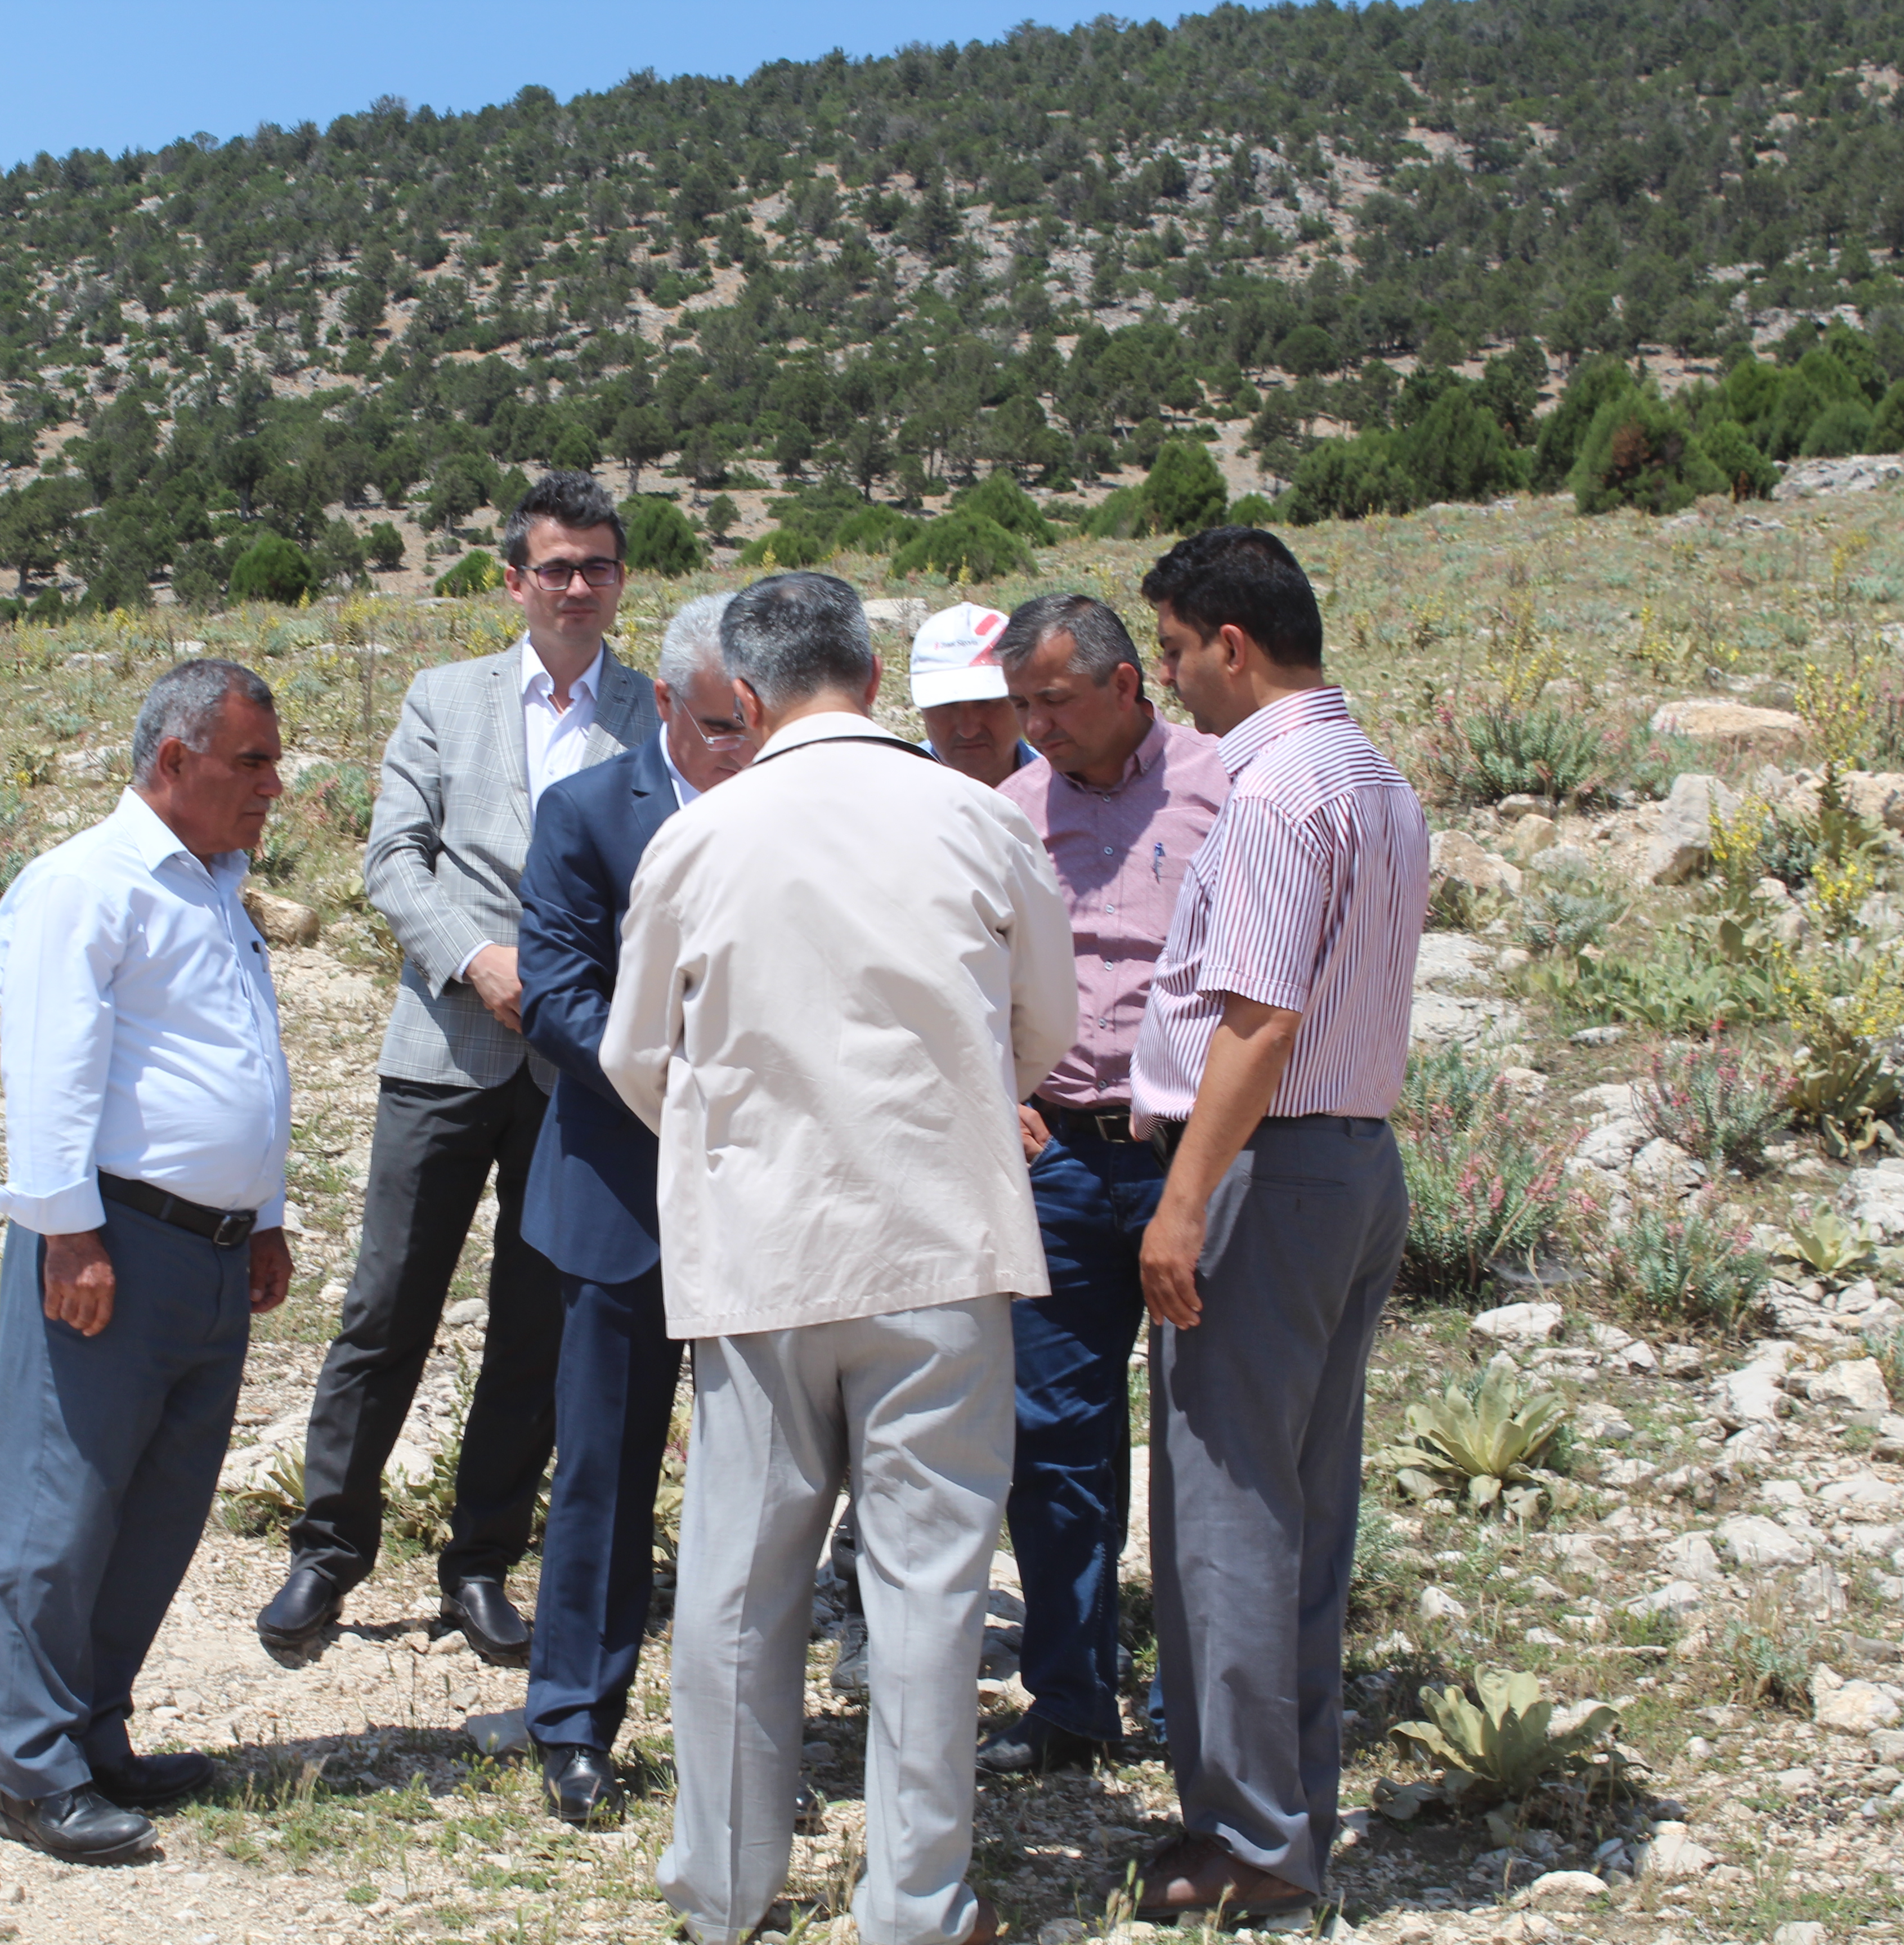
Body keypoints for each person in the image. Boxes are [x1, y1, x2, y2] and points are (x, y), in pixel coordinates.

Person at [602, 572, 1074, 1945]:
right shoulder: (979, 819)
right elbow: (1042, 1024)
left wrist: (737, 1144)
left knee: (739, 1587)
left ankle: (725, 1890)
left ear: (741, 700)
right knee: (928, 1589)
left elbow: (638, 1054)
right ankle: (916, 1905)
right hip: (937, 1237)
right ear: (873, 678)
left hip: (760, 1253)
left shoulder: (699, 840)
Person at [259, 471, 655, 1666]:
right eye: (555, 568)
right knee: (389, 1304)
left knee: (537, 1321)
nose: (576, 587)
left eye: (597, 567)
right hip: (447, 1044)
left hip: (580, 1068)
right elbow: (394, 860)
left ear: (620, 580)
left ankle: (481, 1560)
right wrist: (478, 960)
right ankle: (328, 1547)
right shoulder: (443, 698)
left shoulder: (655, 709)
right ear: (513, 582)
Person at [1125, 528, 1425, 1921]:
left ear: (1228, 643)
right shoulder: (1375, 779)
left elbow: (1255, 1018)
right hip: (1351, 1166)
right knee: (1301, 1506)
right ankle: (1286, 1813)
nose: (1172, 681)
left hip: (1263, 1170)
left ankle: (1248, 1838)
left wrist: (1181, 1201)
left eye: (1176, 651)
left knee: (1224, 1515)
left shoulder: (1272, 793)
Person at [0, 658, 297, 1864]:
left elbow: (237, 1059)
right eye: (252, 762)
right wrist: (69, 1231)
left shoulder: (213, 885)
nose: (274, 785)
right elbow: (54, 1065)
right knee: (58, 1516)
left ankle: (96, 1731)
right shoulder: (88, 884)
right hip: (113, 1243)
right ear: (175, 762)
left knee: (159, 1512)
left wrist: (261, 1212)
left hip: (210, 1255)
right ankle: (35, 1769)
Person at [513, 591, 755, 1826]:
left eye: (752, 724)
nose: (740, 749)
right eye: (719, 727)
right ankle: (575, 1719)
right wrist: (689, 1078)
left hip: (775, 1198)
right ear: (664, 705)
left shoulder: (794, 807)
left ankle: (744, 1737)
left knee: (763, 1472)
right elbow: (555, 994)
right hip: (626, 1186)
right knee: (603, 1470)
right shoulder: (588, 814)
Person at [978, 593, 1229, 1777]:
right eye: (1021, 702)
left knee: (1213, 1440)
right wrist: (999, 1093)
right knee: (1057, 1437)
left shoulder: (1228, 789)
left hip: (1198, 1157)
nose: (1034, 724)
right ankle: (1072, 1698)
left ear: (1129, 684)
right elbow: (962, 965)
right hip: (1062, 1160)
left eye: (1053, 701)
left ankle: (1205, 1700)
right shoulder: (1009, 813)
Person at [910, 600, 1034, 786]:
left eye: (987, 702)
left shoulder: (1070, 792)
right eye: (947, 705)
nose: (968, 730)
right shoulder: (889, 792)